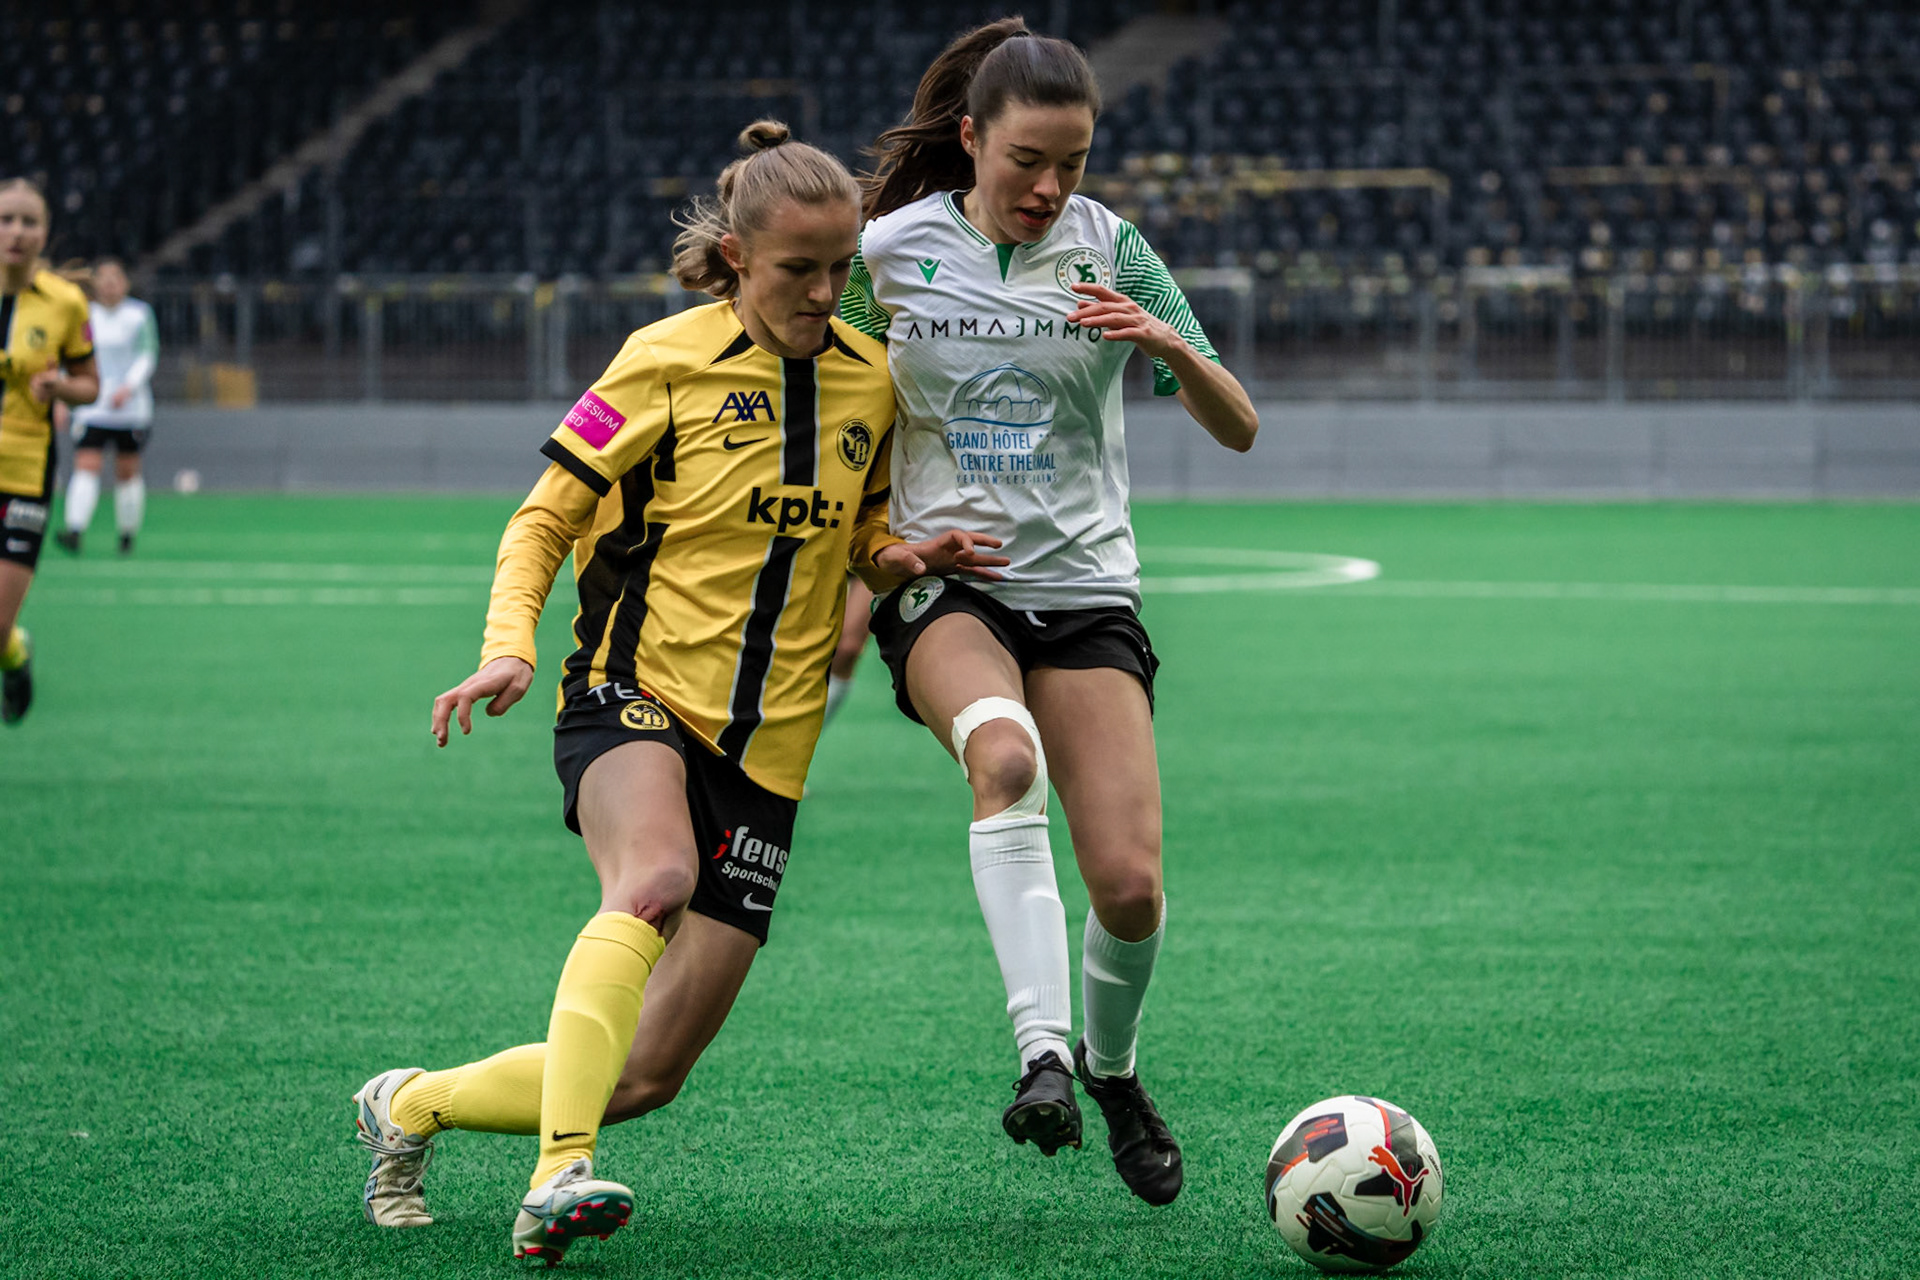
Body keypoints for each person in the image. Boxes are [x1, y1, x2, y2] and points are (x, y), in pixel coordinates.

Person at [348, 122, 1003, 1266]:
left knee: (644, 1072)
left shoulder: (870, 381)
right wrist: (510, 642)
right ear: (738, 259)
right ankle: (558, 1175)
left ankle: (410, 1103)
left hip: (772, 753)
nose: (826, 290)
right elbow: (545, 515)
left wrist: (905, 556)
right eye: (799, 268)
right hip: (631, 692)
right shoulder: (660, 359)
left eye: (842, 265)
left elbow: (858, 535)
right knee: (652, 878)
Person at [838, 18, 1259, 1206]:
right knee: (1003, 759)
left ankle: (1110, 1066)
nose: (1049, 184)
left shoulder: (1113, 249)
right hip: (947, 586)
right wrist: (884, 561)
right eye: (1026, 157)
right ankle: (1039, 1055)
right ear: (970, 138)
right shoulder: (888, 256)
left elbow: (1236, 422)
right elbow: (838, 436)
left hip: (1084, 594)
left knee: (1129, 884)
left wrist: (1163, 336)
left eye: (1071, 160)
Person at [0, 179, 99, 724]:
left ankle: (15, 654)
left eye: (28, 222)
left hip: (23, 472)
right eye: (5, 219)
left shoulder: (64, 303)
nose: (15, 232)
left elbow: (91, 384)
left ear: (45, 234)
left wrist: (59, 388)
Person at [56, 257, 157, 556]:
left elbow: (147, 355)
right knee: (86, 466)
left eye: (115, 277)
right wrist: (63, 396)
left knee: (127, 472)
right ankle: (75, 529)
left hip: (130, 409)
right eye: (104, 277)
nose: (110, 284)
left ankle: (127, 534)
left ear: (125, 282)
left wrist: (129, 386)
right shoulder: (84, 314)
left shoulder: (139, 315)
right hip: (93, 404)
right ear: (95, 283)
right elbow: (69, 357)